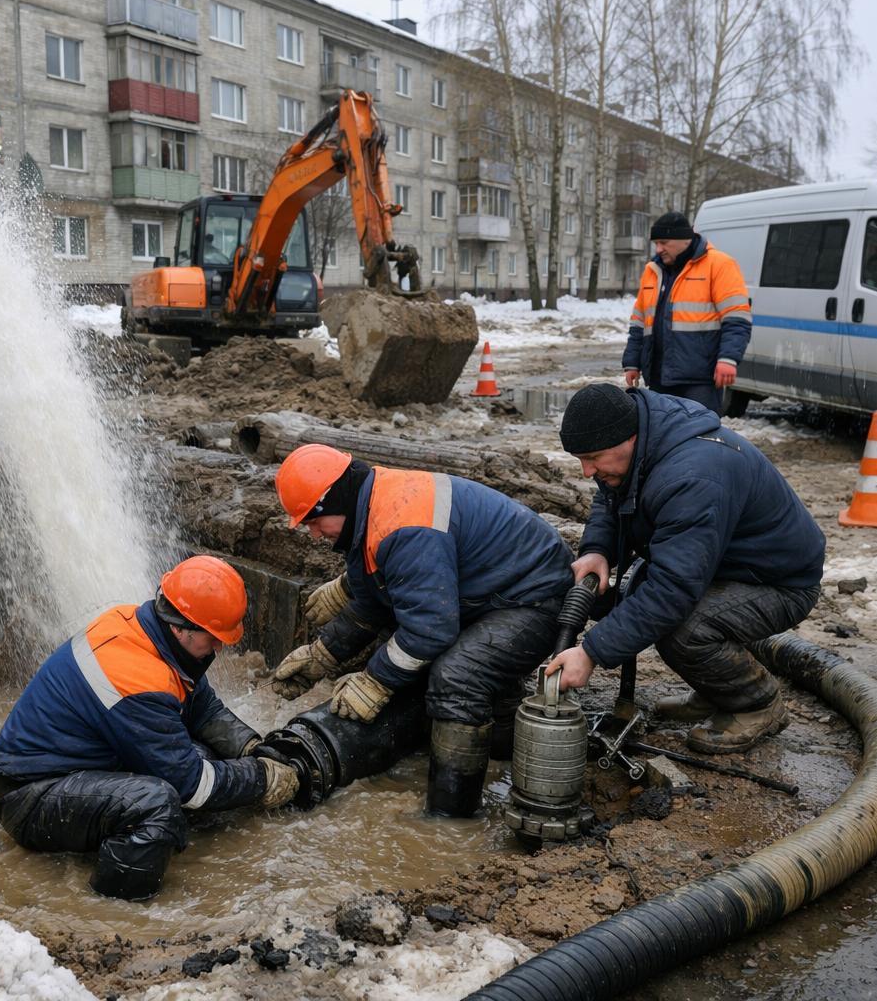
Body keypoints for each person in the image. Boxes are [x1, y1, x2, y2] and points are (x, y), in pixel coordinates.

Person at [269, 445, 574, 817]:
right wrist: (322, 654)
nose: (315, 535)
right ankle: (502, 742)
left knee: (457, 676)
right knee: (431, 663)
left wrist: (375, 680)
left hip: (535, 598)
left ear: (336, 501)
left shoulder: (400, 525)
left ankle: (450, 817)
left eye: (314, 522)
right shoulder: (368, 510)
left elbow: (430, 629)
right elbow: (373, 605)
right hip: (491, 591)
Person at [0, 556, 300, 901]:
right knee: (158, 803)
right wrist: (262, 778)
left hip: (71, 772)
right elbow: (191, 785)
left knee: (201, 755)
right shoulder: (136, 678)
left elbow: (200, 707)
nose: (220, 647)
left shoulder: (138, 625)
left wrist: (251, 749)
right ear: (180, 626)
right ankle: (112, 908)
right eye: (213, 638)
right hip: (30, 797)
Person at [543, 383, 825, 753]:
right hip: (726, 565)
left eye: (593, 457)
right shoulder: (641, 442)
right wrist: (598, 551)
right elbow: (610, 495)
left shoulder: (692, 476)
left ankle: (756, 703)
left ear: (629, 438)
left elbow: (672, 590)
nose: (586, 471)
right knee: (634, 600)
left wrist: (591, 653)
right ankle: (717, 688)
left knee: (684, 631)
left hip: (778, 581)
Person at [623, 211, 753, 415]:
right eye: (656, 243)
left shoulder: (719, 264)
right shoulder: (652, 271)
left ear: (684, 239)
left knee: (699, 436)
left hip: (700, 378)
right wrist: (632, 362)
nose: (658, 249)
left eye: (663, 242)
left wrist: (728, 359)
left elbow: (737, 318)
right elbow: (639, 323)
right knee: (663, 437)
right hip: (659, 377)